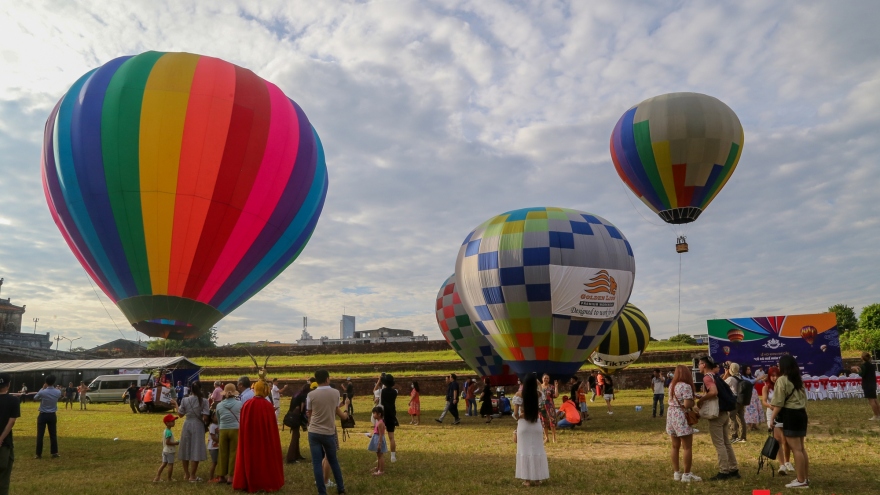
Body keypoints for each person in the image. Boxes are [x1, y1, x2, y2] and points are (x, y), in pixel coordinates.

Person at [233, 370, 284, 492]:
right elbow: (272, 428)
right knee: (265, 459)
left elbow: (243, 424)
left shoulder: (247, 404)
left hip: (250, 439)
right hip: (265, 439)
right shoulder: (267, 406)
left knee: (250, 459)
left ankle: (248, 481)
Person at [307, 369, 351, 495]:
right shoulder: (335, 393)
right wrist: (346, 406)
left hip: (314, 431)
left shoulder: (311, 395)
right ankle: (341, 489)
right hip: (328, 431)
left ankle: (322, 491)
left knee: (316, 462)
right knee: (333, 460)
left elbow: (309, 413)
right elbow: (339, 412)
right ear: (327, 379)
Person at [696, 357, 739, 480]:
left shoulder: (707, 377)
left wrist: (701, 400)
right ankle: (733, 468)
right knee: (726, 443)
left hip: (716, 414)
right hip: (724, 413)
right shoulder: (715, 376)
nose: (699, 366)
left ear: (704, 365)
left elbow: (713, 392)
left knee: (719, 443)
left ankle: (723, 471)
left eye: (699, 364)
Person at [770, 354, 810, 489]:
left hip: (790, 414)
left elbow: (778, 402)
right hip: (801, 414)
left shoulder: (782, 380)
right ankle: (805, 477)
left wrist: (772, 418)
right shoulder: (798, 380)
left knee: (796, 449)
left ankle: (801, 480)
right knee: (801, 448)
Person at [666, 365, 701, 482]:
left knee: (675, 446)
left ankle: (676, 473)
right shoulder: (686, 386)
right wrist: (693, 403)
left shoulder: (672, 385)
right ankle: (686, 474)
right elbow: (686, 404)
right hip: (681, 415)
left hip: (671, 414)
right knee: (687, 447)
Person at [514, 372, 549, 486]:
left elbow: (515, 414)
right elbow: (543, 394)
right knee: (537, 450)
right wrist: (539, 384)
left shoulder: (519, 395)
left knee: (524, 451)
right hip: (536, 424)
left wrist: (518, 416)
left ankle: (527, 480)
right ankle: (538, 479)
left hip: (524, 424)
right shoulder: (538, 394)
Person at [760, 366, 793, 475]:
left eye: (776, 375)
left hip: (784, 413)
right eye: (772, 376)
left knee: (786, 440)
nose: (774, 378)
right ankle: (782, 465)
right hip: (772, 413)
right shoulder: (766, 387)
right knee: (777, 440)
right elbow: (764, 401)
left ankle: (788, 462)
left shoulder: (783, 386)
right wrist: (771, 406)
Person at [177, 381, 207, 482]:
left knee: (185, 447)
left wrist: (175, 405)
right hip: (198, 425)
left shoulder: (185, 400)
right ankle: (193, 475)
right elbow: (205, 417)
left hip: (187, 424)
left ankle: (186, 474)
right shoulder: (204, 401)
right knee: (196, 448)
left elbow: (180, 414)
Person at [214, 384, 242, 484]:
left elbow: (218, 418)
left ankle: (221, 475)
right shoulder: (239, 404)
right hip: (235, 429)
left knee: (222, 452)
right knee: (233, 452)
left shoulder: (219, 405)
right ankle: (231, 476)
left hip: (223, 429)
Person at [0, 372, 21, 494]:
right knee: (4, 476)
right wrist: (1, 438)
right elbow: (11, 422)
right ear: (9, 384)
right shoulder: (14, 400)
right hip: (5, 443)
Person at [33, 374, 62, 459]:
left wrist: (42, 388)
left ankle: (38, 454)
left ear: (46, 382)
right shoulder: (57, 392)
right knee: (53, 434)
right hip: (52, 415)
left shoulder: (43, 392)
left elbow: (35, 398)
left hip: (43, 414)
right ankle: (54, 452)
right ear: (54, 382)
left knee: (40, 435)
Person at [285, 381, 310, 464]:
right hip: (296, 416)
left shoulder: (297, 394)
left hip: (291, 415)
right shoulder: (304, 395)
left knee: (297, 435)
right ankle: (290, 457)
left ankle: (297, 454)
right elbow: (302, 407)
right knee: (295, 436)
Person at [724, 362, 747, 443]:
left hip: (734, 400)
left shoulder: (731, 379)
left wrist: (726, 373)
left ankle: (734, 436)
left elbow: (722, 384)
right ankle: (743, 436)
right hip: (741, 400)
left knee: (732, 418)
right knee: (741, 418)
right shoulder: (741, 377)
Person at [852, 351, 880, 420]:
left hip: (867, 384)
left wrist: (857, 370)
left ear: (862, 358)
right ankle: (879, 414)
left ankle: (876, 415)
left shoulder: (864, 366)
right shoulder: (871, 365)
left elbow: (862, 374)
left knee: (871, 400)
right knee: (875, 399)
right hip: (873, 383)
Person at [378, 374, 399, 463]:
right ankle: (393, 456)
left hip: (383, 415)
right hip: (391, 414)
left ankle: (379, 456)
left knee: (380, 436)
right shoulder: (395, 392)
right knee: (391, 437)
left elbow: (376, 393)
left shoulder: (382, 391)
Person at [154, 414, 179, 482]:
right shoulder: (169, 432)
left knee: (163, 464)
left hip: (165, 450)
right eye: (172, 421)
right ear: (167, 423)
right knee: (170, 465)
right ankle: (169, 478)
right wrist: (176, 443)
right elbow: (168, 442)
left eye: (174, 421)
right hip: (169, 451)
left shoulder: (165, 431)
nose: (174, 422)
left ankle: (157, 477)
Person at [366, 406, 387, 475]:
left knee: (380, 456)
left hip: (379, 440)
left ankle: (381, 470)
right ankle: (378, 468)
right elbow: (377, 432)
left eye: (374, 413)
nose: (373, 415)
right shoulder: (378, 422)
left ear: (379, 414)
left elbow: (381, 434)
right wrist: (371, 436)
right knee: (378, 455)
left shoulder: (380, 423)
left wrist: (379, 444)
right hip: (376, 439)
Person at [539, 374, 558, 442]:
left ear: (549, 380)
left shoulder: (551, 387)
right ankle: (546, 437)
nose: (546, 379)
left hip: (550, 406)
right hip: (541, 406)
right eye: (545, 378)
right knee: (544, 421)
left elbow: (556, 395)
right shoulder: (539, 387)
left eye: (547, 378)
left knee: (552, 420)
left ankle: (554, 437)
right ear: (542, 379)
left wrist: (556, 387)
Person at [207, 413, 219, 482]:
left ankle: (218, 476)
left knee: (218, 462)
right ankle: (211, 478)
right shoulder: (212, 426)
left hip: (217, 446)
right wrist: (221, 441)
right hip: (212, 447)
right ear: (212, 417)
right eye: (216, 416)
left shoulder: (219, 425)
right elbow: (213, 437)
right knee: (214, 462)